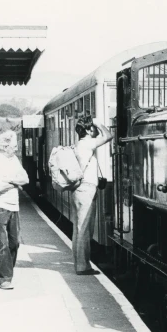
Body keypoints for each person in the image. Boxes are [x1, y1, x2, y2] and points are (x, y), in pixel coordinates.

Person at [0, 131, 29, 290]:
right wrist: (16, 183)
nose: (16, 149)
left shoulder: (13, 159)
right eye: (14, 146)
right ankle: (3, 278)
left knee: (15, 242)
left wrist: (9, 180)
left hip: (12, 204)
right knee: (2, 242)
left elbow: (26, 179)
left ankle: (7, 269)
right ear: (4, 146)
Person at [71, 117, 113, 274]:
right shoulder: (87, 143)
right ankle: (83, 266)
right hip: (86, 189)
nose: (95, 131)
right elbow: (109, 136)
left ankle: (79, 263)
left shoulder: (79, 145)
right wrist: (97, 122)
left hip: (79, 189)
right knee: (84, 229)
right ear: (88, 130)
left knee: (79, 228)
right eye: (93, 129)